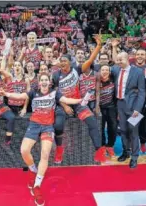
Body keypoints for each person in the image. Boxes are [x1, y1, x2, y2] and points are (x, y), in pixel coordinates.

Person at [0, 73, 82, 206]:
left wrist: (79, 101)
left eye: (46, 80)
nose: (44, 82)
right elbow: (20, 96)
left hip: (48, 127)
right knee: (24, 150)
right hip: (34, 125)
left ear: (49, 82)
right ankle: (32, 169)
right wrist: (6, 94)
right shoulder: (33, 92)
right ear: (39, 82)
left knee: (45, 154)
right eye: (41, 80)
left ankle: (37, 185)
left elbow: (66, 99)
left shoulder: (55, 93)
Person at [52, 34, 105, 163]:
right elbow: (54, 93)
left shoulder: (77, 69)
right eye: (61, 61)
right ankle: (59, 149)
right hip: (62, 104)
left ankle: (99, 151)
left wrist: (98, 46)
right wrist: (64, 106)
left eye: (65, 61)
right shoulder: (55, 75)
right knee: (58, 125)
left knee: (92, 121)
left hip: (78, 103)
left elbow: (90, 60)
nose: (62, 63)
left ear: (70, 62)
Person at [111, 52, 146, 168]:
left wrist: (138, 108)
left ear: (127, 59)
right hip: (120, 105)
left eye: (121, 60)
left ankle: (135, 157)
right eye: (117, 60)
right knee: (123, 131)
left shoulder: (138, 72)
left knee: (133, 131)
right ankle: (126, 152)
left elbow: (142, 92)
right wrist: (114, 48)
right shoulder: (115, 70)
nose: (119, 62)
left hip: (133, 106)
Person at [95, 64, 118, 158]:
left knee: (113, 127)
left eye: (106, 70)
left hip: (111, 107)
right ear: (100, 71)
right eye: (102, 70)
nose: (104, 72)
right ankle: (103, 146)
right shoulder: (96, 81)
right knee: (100, 128)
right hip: (100, 107)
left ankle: (110, 146)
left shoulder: (113, 79)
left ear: (109, 72)